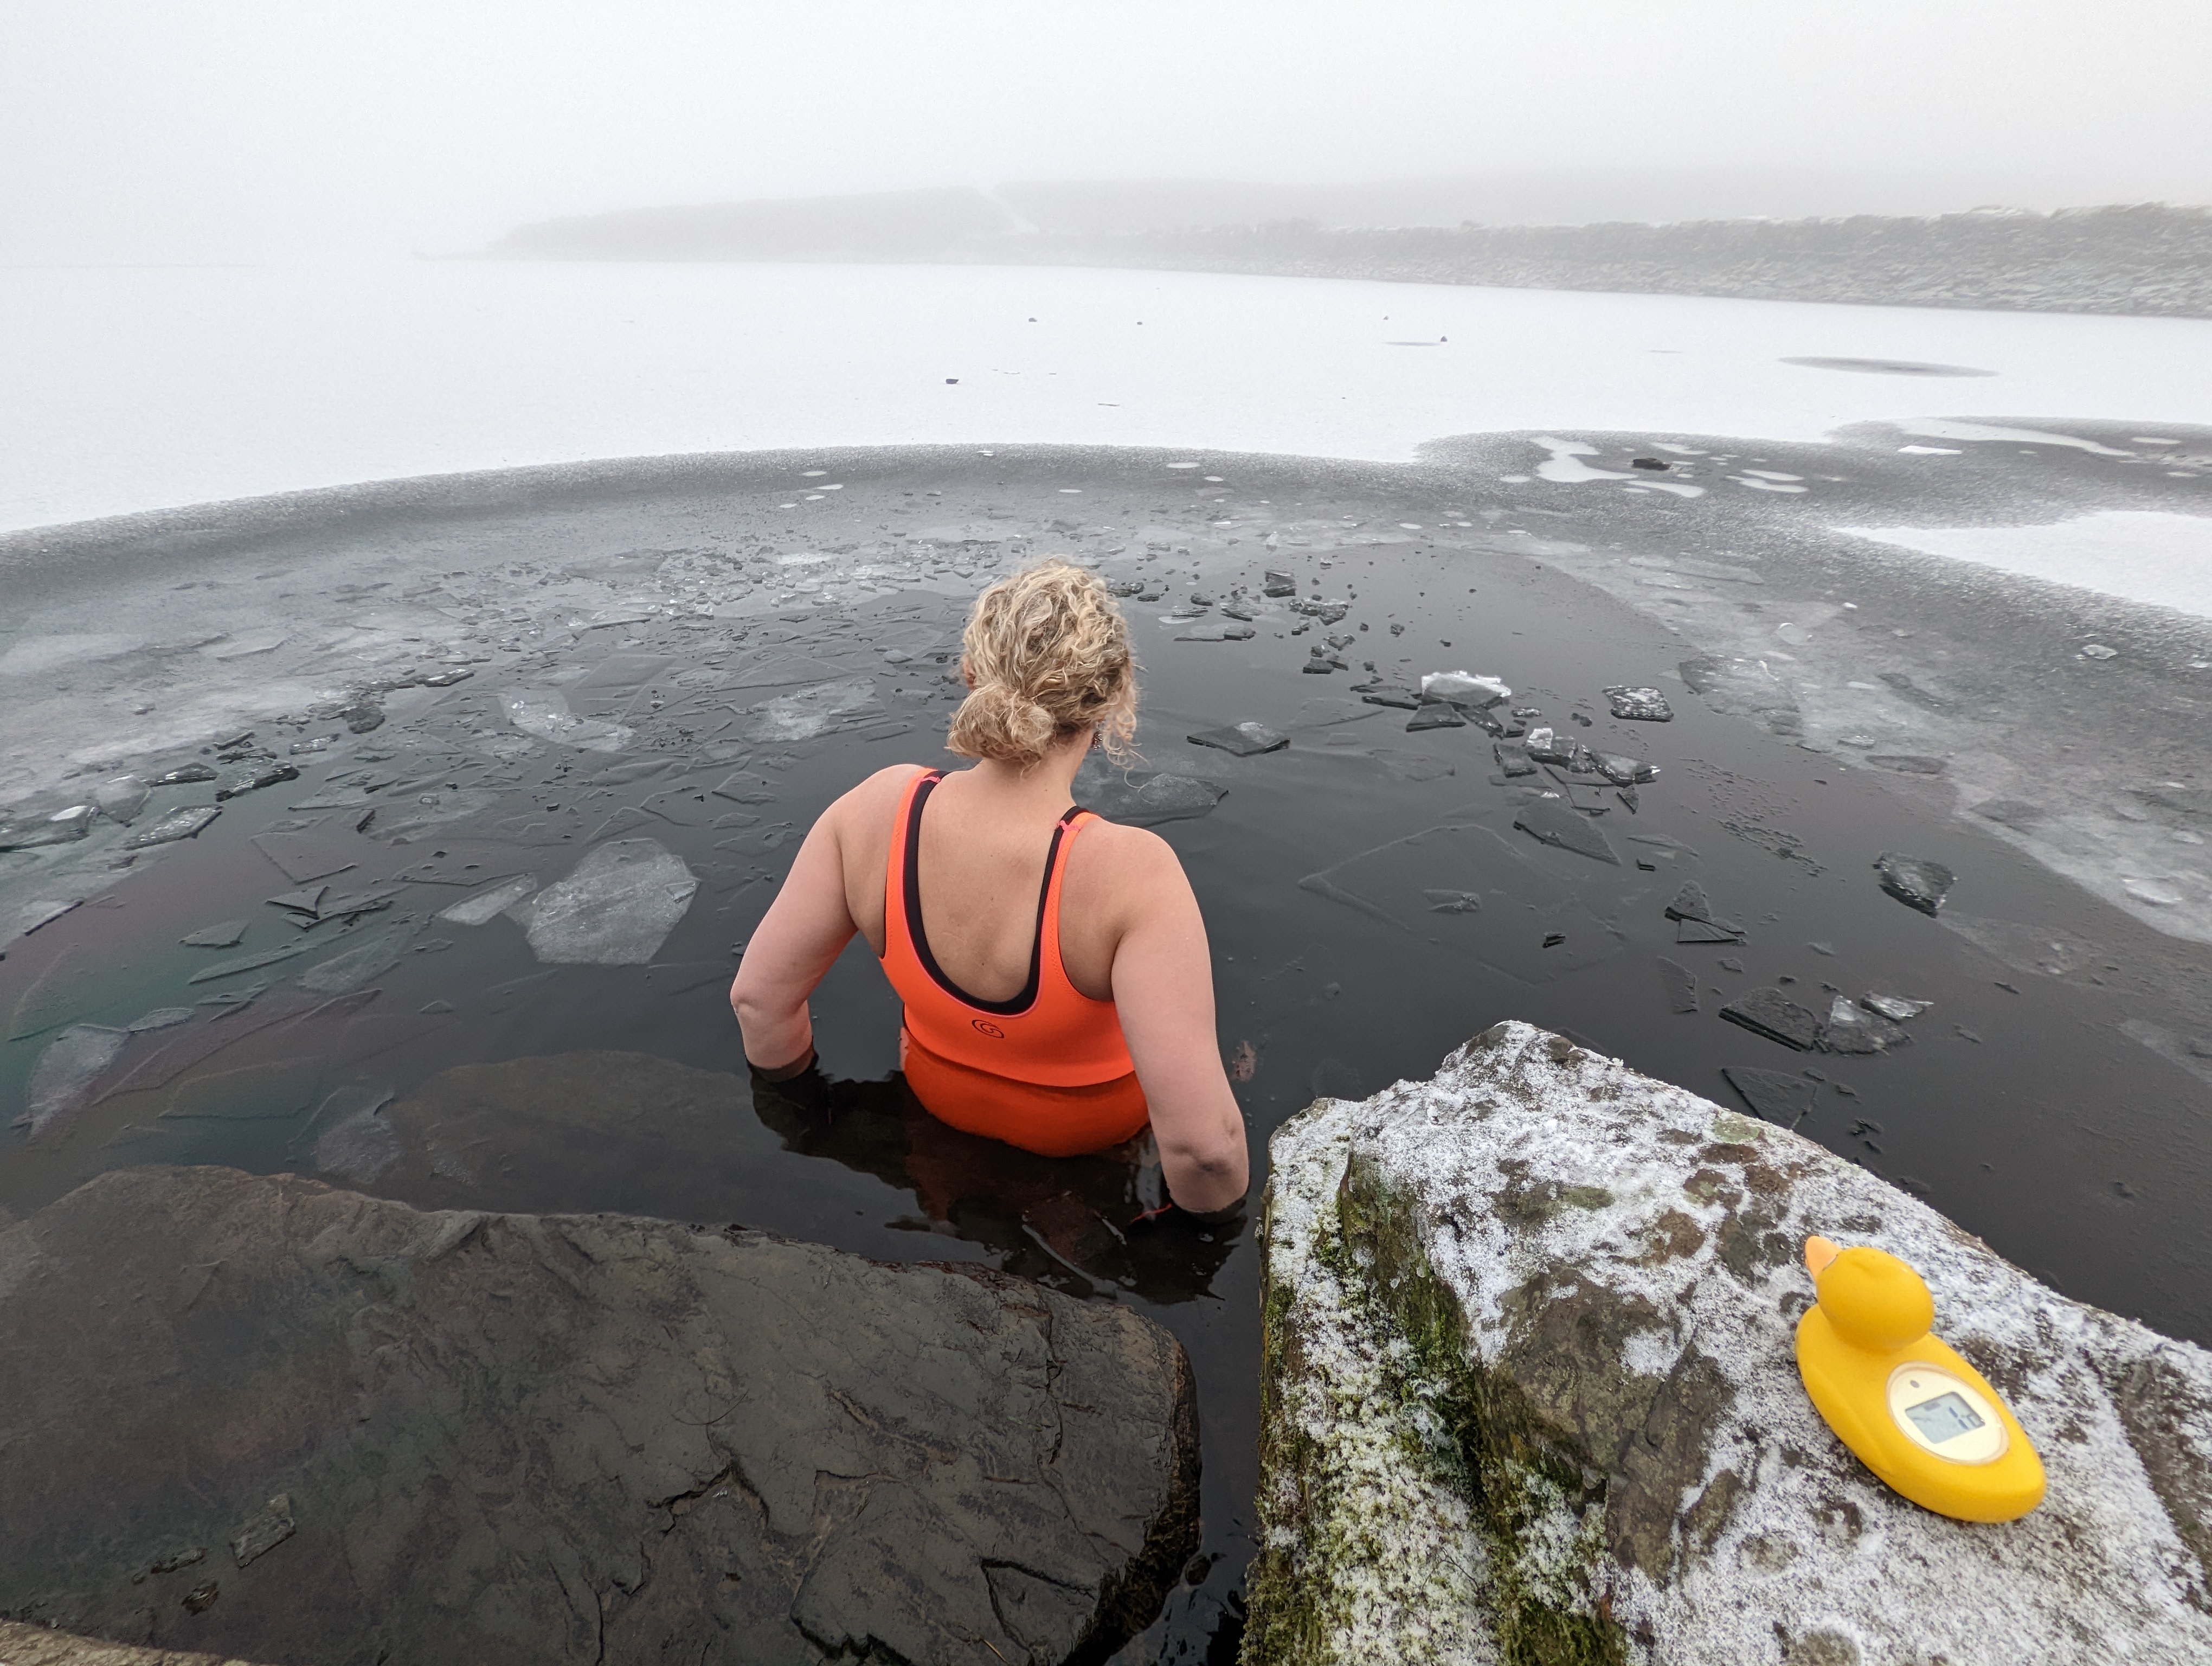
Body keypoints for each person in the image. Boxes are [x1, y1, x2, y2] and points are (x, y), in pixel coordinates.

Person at [729, 558, 1249, 1218]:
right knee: (1232, 1065)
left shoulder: (875, 812)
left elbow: (757, 1002)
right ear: (1113, 700)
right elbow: (1205, 1149)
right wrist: (1191, 1251)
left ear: (973, 676)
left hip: (933, 1105)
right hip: (1090, 1144)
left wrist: (810, 1123)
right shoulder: (1130, 873)